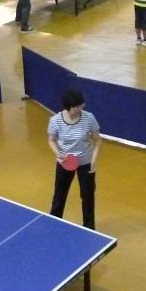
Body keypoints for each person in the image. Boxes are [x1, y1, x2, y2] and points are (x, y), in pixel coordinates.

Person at [48, 88, 101, 229]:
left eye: (81, 105)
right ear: (68, 107)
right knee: (59, 194)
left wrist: (94, 160)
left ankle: (89, 227)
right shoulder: (55, 120)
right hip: (65, 162)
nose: (80, 108)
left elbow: (97, 140)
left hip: (86, 163)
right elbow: (51, 140)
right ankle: (53, 222)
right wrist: (58, 153)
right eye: (76, 107)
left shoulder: (89, 118)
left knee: (87, 196)